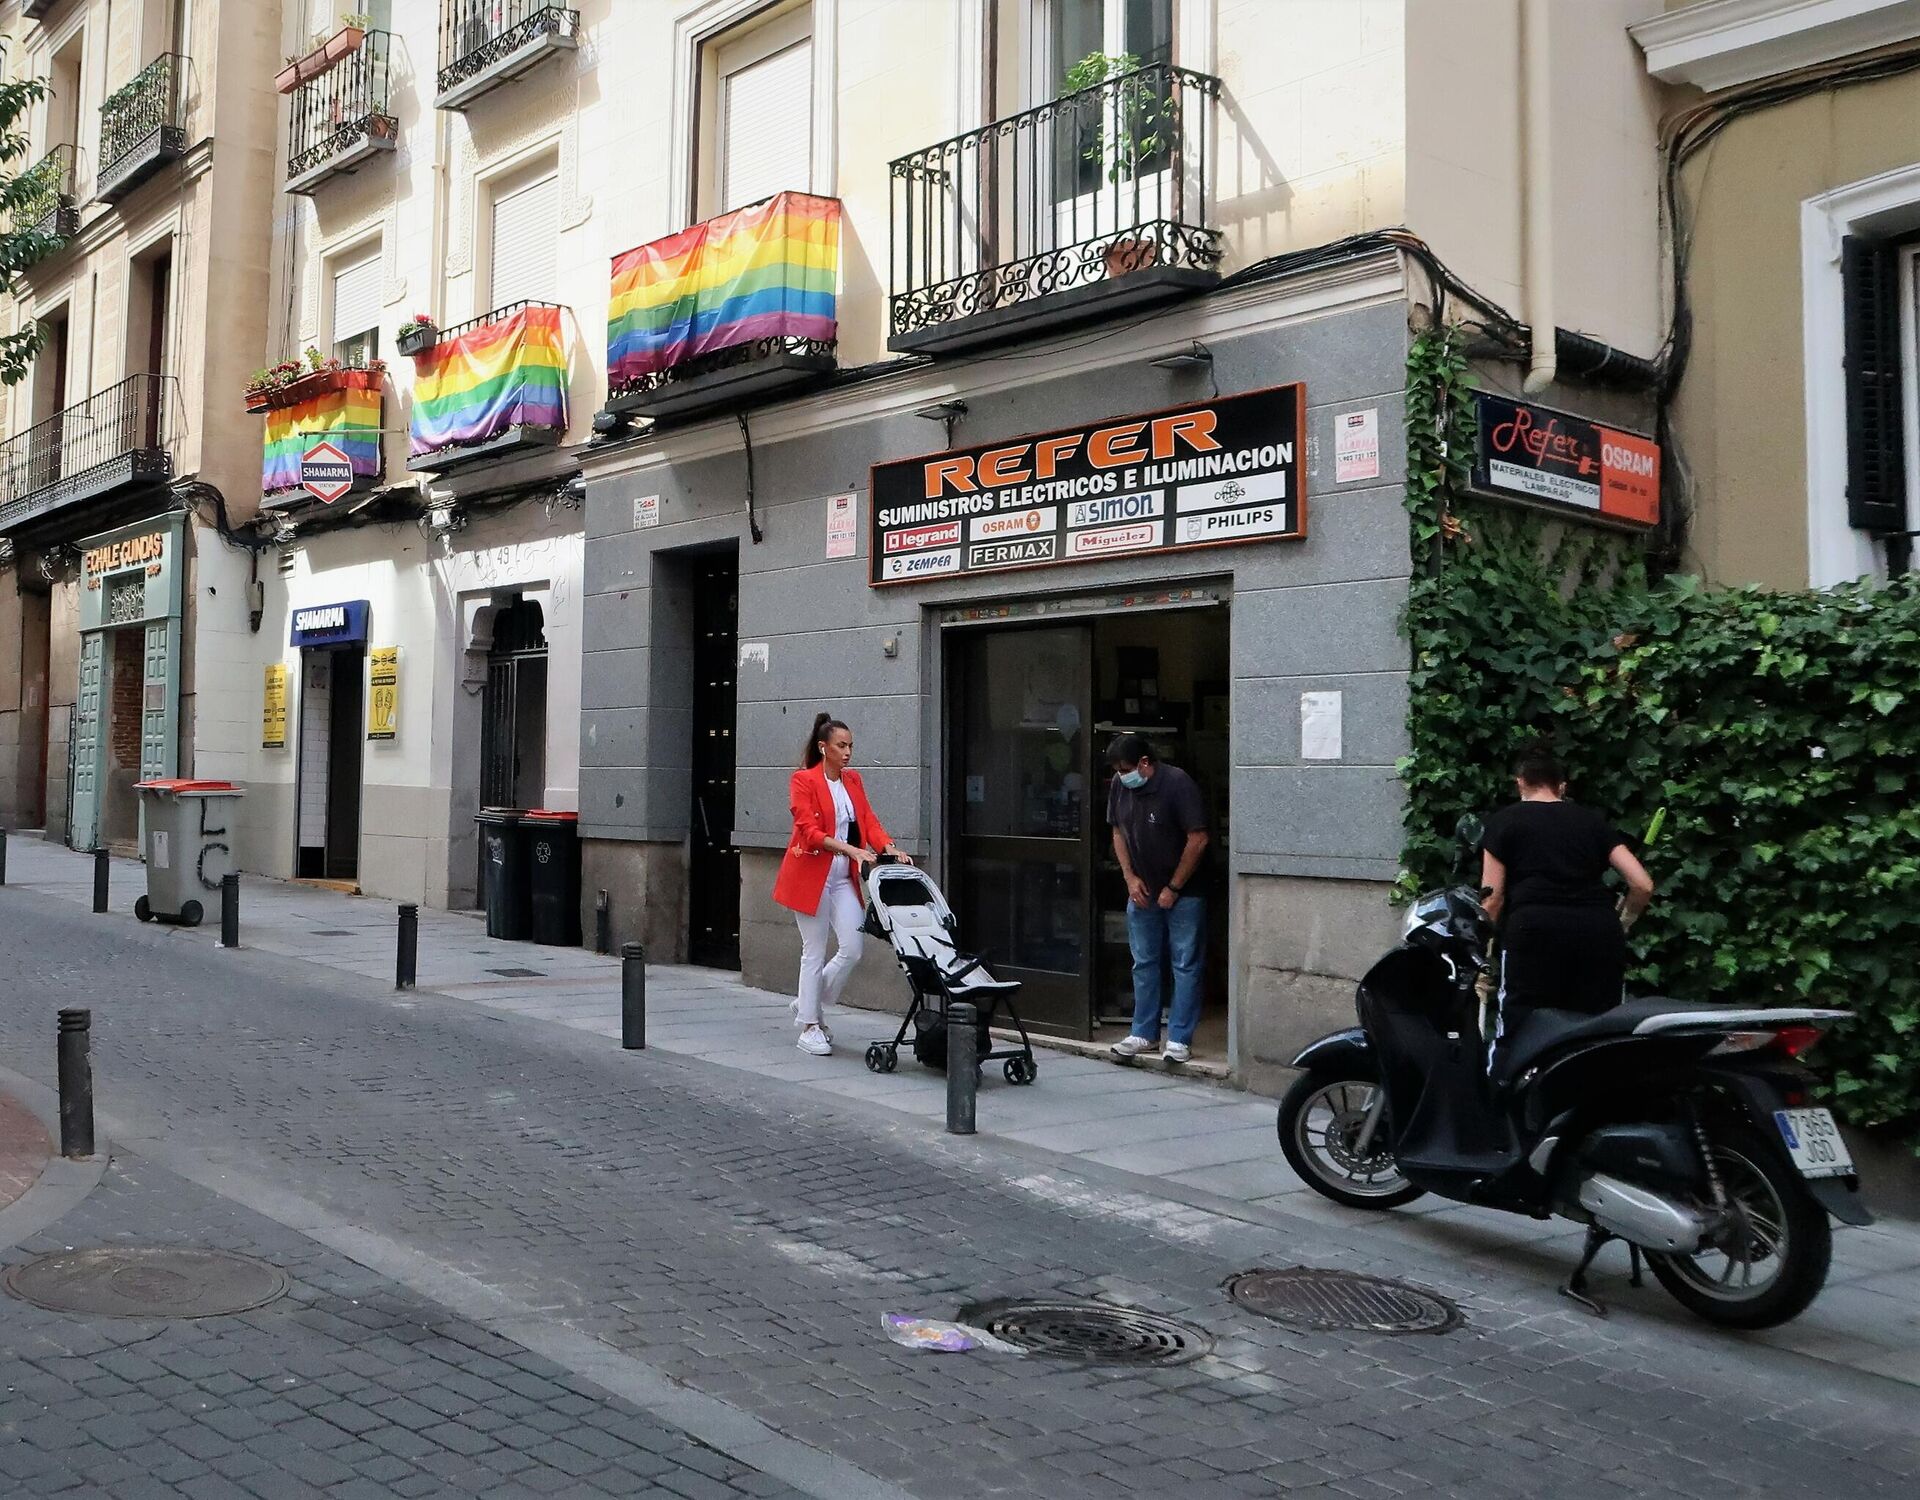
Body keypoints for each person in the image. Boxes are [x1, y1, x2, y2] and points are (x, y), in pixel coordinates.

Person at [1480, 748, 1655, 1032]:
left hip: (1534, 932)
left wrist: (1481, 954)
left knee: (1521, 1028)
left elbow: (1492, 898)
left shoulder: (1504, 821)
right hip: (1598, 932)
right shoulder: (1592, 821)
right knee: (1595, 1032)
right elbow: (1642, 884)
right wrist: (1624, 921)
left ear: (1520, 782)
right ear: (1561, 786)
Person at [772, 712, 909, 1056]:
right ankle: (809, 1025)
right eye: (841, 746)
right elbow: (810, 832)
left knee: (853, 947)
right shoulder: (803, 781)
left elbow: (868, 821)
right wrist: (853, 850)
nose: (847, 752)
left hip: (841, 875)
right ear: (823, 748)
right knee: (814, 950)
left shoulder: (853, 782)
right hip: (810, 876)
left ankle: (808, 1000)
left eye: (850, 746)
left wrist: (888, 847)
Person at [1105, 733, 1211, 1063]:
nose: (1122, 776)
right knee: (1144, 962)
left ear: (1145, 763)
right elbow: (1118, 831)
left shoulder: (1178, 784)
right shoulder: (1120, 787)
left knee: (1184, 963)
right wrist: (1129, 877)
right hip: (1142, 890)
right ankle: (1143, 1032)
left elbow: (1198, 839)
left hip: (1185, 892)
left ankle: (1179, 1038)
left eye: (1126, 769)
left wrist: (1175, 887)